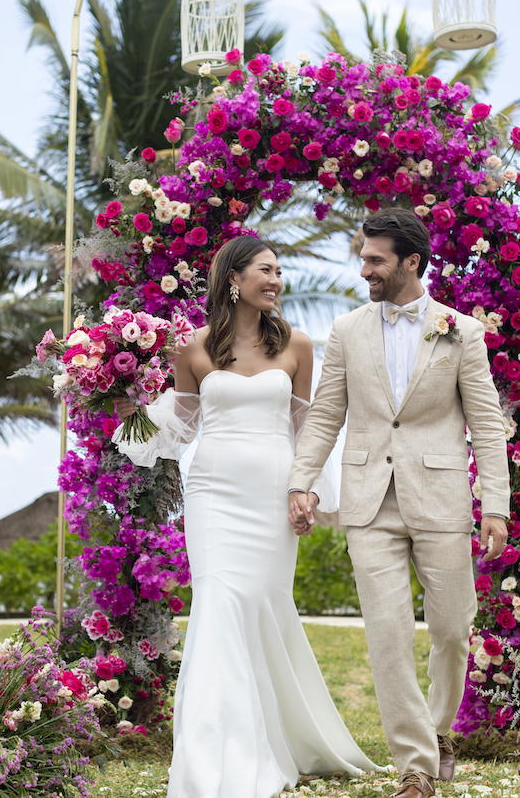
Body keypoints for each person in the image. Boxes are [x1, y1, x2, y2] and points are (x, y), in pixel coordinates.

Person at [114, 235, 380, 798]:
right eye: (266, 269)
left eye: (279, 271)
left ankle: (279, 731)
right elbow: (178, 424)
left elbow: (309, 430)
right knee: (218, 604)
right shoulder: (194, 348)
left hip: (272, 493)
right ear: (234, 277)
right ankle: (217, 751)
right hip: (212, 492)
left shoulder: (299, 346)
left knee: (263, 605)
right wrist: (118, 400)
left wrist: (304, 490)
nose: (276, 280)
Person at [288, 207, 511, 798]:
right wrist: (302, 480)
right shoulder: (346, 330)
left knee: (451, 632)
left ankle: (437, 735)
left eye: (375, 259)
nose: (364, 269)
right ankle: (415, 767)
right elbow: (325, 415)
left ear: (412, 261)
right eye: (363, 257)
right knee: (387, 635)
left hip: (440, 499)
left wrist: (496, 506)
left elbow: (487, 426)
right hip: (368, 502)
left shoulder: (462, 332)